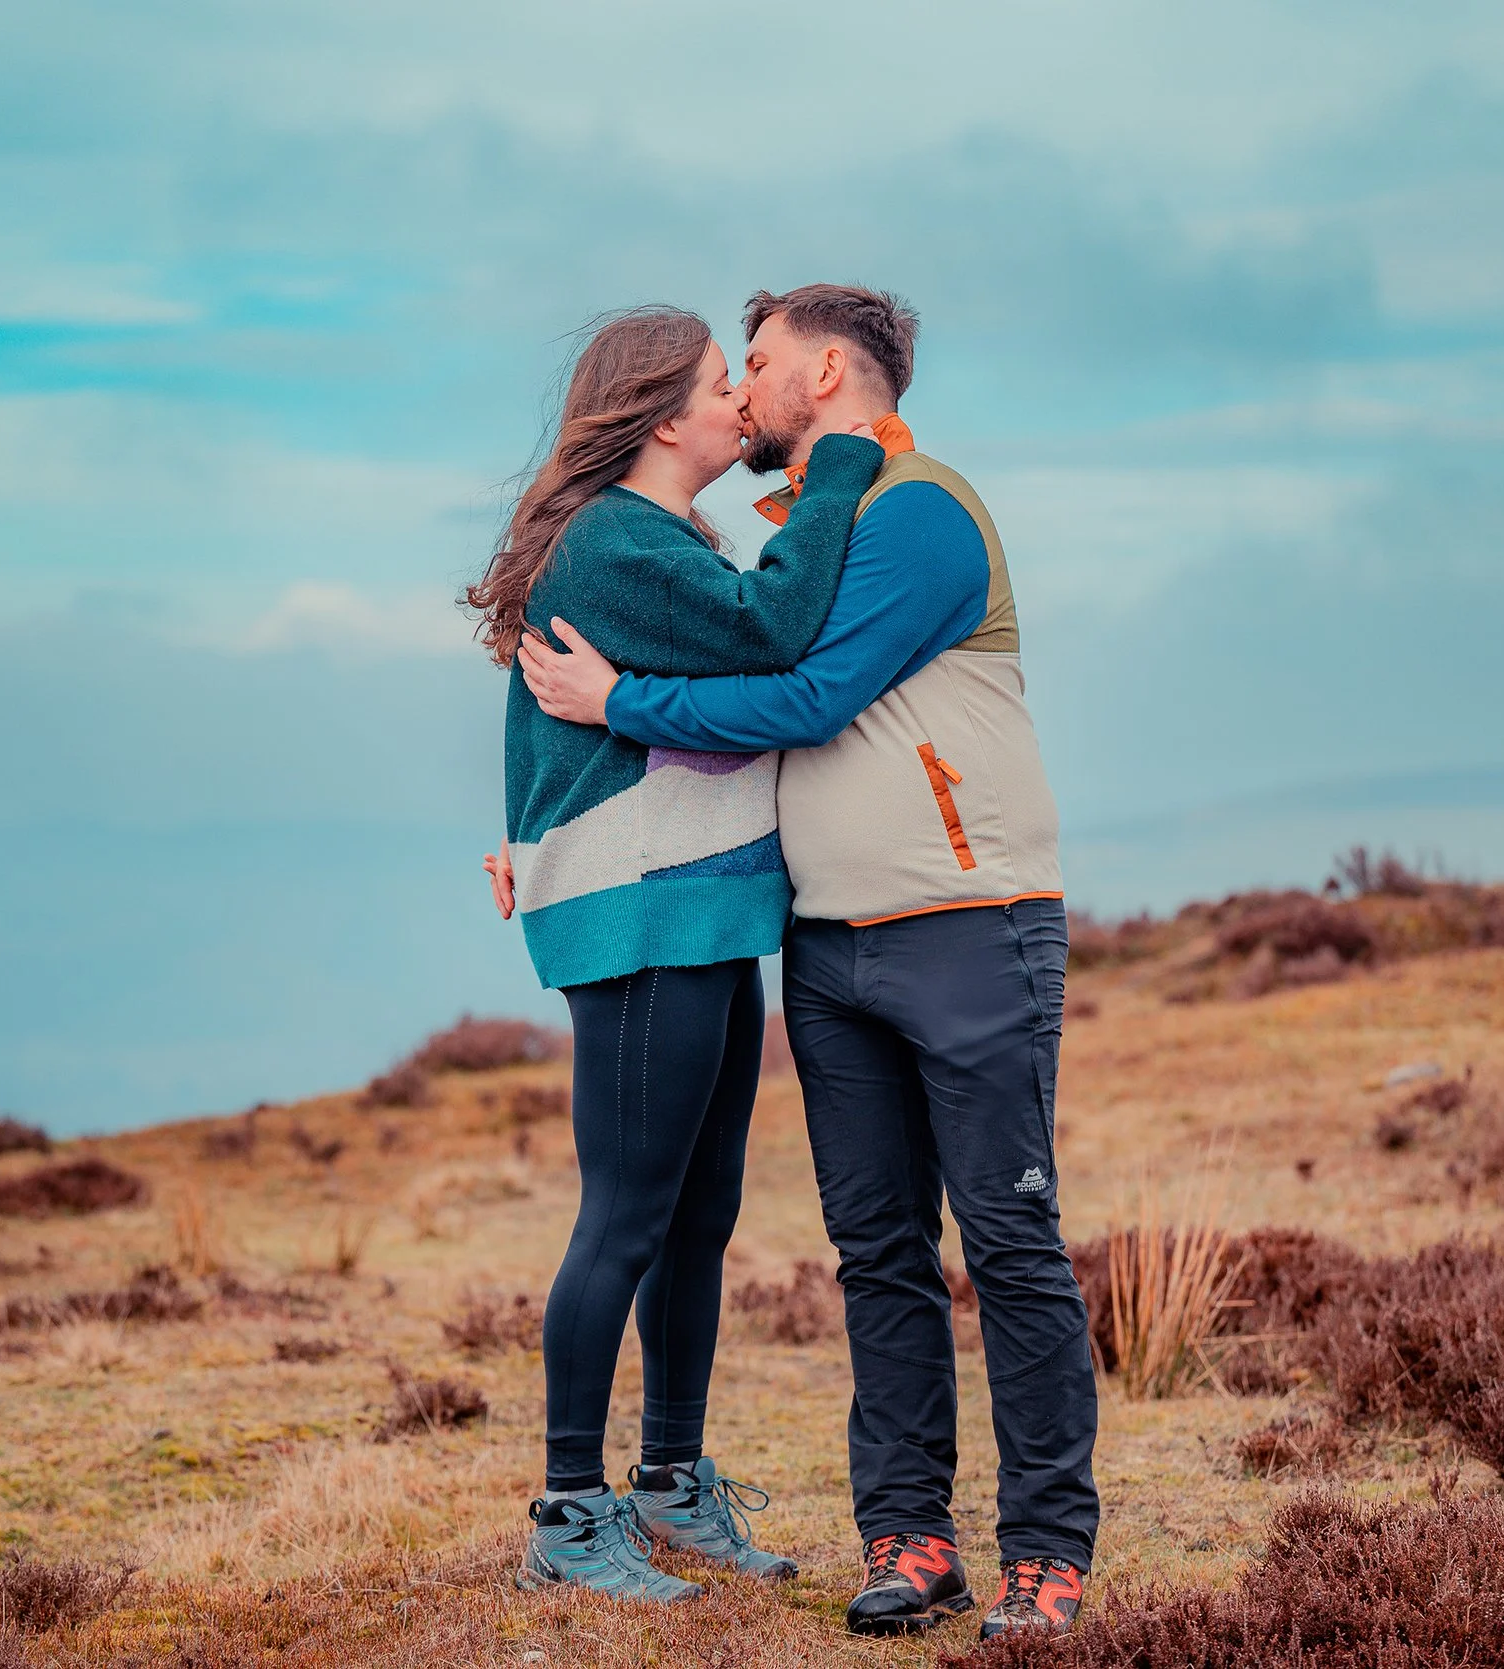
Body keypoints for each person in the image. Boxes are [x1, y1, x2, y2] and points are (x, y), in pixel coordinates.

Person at [517, 285, 1098, 1641]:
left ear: (829, 373)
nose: (745, 395)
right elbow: (712, 705)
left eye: (759, 366)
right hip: (825, 946)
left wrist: (616, 702)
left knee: (1009, 1244)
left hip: (967, 922)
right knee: (877, 1254)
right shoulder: (788, 529)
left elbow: (802, 691)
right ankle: (908, 1540)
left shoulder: (918, 515)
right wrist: (534, 825)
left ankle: (1046, 1557)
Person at [466, 304, 884, 1602]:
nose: (738, 404)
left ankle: (671, 1484)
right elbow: (774, 633)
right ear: (661, 417)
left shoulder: (657, 538)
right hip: (645, 912)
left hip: (695, 906)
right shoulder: (617, 543)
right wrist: (848, 462)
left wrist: (525, 835)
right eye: (721, 384)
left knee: (696, 1218)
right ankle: (568, 1515)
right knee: (628, 1218)